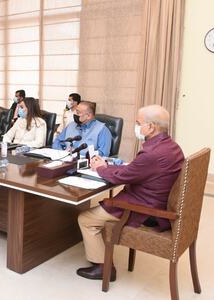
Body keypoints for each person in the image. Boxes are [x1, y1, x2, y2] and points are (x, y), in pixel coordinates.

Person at [76, 105, 184, 281]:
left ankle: (104, 268)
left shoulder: (152, 153)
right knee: (100, 206)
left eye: (138, 123)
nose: (136, 127)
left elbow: (123, 177)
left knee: (86, 219)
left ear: (151, 127)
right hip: (157, 200)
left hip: (142, 207)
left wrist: (100, 168)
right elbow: (137, 170)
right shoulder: (172, 146)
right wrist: (109, 166)